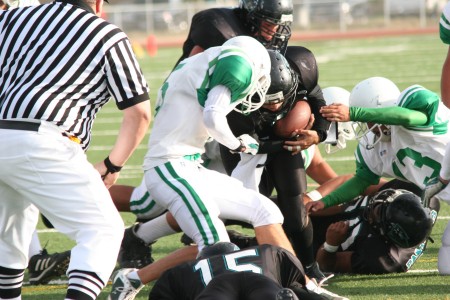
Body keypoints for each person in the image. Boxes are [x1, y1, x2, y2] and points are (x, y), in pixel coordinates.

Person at [0, 0, 151, 298]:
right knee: (103, 231)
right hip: (43, 139)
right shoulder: (106, 34)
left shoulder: (10, 20)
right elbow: (140, 112)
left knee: (9, 237)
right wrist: (111, 165)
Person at [143, 35, 295, 253]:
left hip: (190, 166)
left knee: (265, 210)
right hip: (169, 166)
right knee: (217, 245)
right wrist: (237, 144)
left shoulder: (202, 60)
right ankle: (134, 277)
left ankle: (297, 280)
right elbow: (213, 116)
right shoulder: (239, 66)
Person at [219, 47, 331, 282]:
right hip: (245, 144)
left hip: (284, 143)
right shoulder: (235, 95)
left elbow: (318, 101)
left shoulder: (302, 68)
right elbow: (247, 145)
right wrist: (283, 143)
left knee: (295, 206)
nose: (276, 107)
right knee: (250, 207)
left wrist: (318, 134)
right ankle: (225, 240)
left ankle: (309, 268)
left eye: (280, 99)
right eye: (268, 101)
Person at [307, 76, 450, 214]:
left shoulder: (417, 114)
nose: (368, 126)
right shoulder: (374, 147)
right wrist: (325, 202)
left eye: (369, 117)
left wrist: (354, 113)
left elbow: (406, 117)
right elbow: (361, 181)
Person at [148, 242, 347, 300]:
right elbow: (301, 289)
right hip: (261, 282)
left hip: (216, 287)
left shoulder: (188, 269)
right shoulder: (267, 252)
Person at [311, 188, 436, 274]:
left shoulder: (382, 259)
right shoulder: (425, 197)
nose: (376, 204)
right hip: (318, 210)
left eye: (378, 211)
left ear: (384, 233)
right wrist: (310, 199)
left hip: (310, 243)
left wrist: (331, 245)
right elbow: (360, 183)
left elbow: (326, 264)